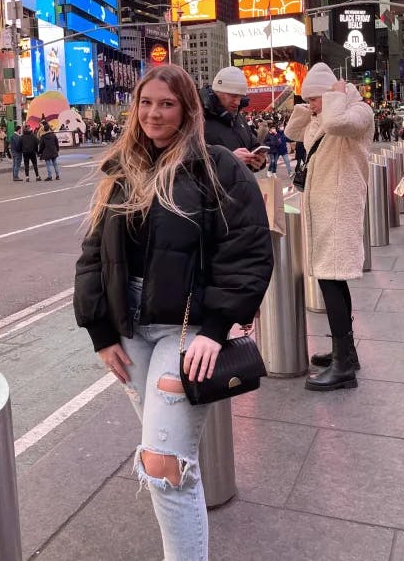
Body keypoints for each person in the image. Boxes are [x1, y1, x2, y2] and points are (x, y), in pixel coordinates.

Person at [74, 65, 273, 561]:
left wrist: (216, 327)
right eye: (145, 103)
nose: (153, 113)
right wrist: (100, 331)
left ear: (186, 109)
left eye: (166, 103)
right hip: (130, 329)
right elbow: (94, 254)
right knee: (174, 454)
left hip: (186, 330)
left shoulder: (217, 166)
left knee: (163, 463)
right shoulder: (122, 171)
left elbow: (247, 251)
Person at [285, 63, 374, 391]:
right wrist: (305, 106)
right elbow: (293, 134)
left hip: (340, 205)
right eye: (308, 98)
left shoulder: (359, 112)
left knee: (330, 278)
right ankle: (345, 353)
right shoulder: (321, 115)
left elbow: (338, 123)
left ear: (331, 93)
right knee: (330, 278)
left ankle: (343, 367)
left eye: (315, 98)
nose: (312, 105)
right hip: (322, 205)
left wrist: (333, 98)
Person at [198, 67, 267, 172]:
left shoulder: (238, 118)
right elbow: (190, 164)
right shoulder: (196, 119)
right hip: (216, 188)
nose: (238, 102)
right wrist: (229, 161)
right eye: (233, 96)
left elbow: (253, 145)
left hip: (243, 186)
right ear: (218, 91)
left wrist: (258, 161)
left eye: (240, 97)